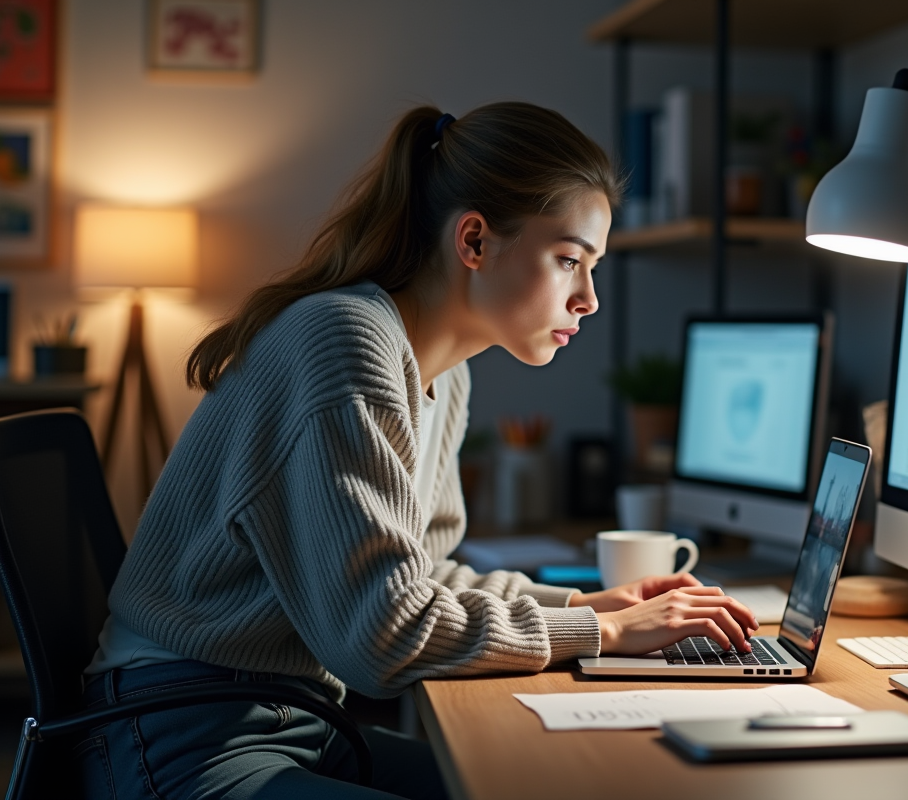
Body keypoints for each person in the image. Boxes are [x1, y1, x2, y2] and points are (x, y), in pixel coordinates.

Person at [78, 103, 758, 800]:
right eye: (568, 261)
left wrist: (591, 603)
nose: (588, 299)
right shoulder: (344, 343)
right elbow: (383, 639)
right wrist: (600, 633)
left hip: (295, 724)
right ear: (474, 241)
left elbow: (420, 583)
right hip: (179, 738)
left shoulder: (443, 373)